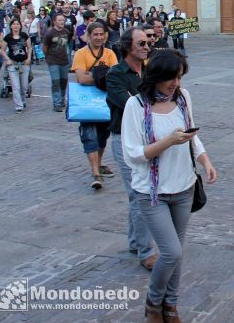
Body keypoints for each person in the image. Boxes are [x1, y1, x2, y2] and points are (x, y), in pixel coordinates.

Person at [122, 49, 217, 322]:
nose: (176, 83)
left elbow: (191, 133)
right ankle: (153, 303)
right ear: (155, 77)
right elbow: (133, 154)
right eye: (171, 78)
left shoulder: (184, 98)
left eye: (179, 77)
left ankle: (171, 306)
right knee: (171, 251)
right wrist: (167, 142)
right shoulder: (136, 106)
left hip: (184, 186)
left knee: (177, 252)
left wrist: (205, 160)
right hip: (152, 192)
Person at [106, 26, 159, 270]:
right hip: (125, 139)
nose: (147, 46)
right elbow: (129, 105)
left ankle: (136, 242)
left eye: (148, 42)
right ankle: (146, 251)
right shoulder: (116, 73)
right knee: (141, 194)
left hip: (149, 137)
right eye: (141, 43)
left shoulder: (149, 71)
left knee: (136, 194)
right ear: (128, 46)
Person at [71, 22, 118, 189]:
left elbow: (114, 78)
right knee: (89, 135)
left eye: (101, 34)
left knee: (102, 136)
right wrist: (101, 77)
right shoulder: (81, 53)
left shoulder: (110, 53)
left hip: (105, 102)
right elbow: (81, 79)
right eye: (95, 34)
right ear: (89, 36)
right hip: (86, 102)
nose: (99, 37)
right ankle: (95, 173)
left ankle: (98, 164)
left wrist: (92, 75)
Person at [42, 13, 72, 112]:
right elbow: (45, 47)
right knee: (55, 81)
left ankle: (62, 99)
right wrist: (48, 57)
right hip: (53, 60)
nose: (62, 22)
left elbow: (68, 44)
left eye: (63, 20)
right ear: (54, 21)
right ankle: (57, 102)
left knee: (64, 81)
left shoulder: (66, 32)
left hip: (64, 60)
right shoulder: (49, 33)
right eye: (59, 20)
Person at [0, 18, 31, 112]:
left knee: (24, 85)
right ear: (11, 26)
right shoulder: (8, 37)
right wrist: (7, 59)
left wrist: (29, 58)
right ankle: (18, 105)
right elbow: (2, 50)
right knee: (16, 86)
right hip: (13, 64)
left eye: (17, 24)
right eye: (14, 24)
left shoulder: (24, 35)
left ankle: (22, 100)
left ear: (20, 26)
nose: (16, 26)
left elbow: (29, 47)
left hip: (24, 63)